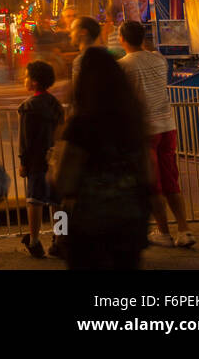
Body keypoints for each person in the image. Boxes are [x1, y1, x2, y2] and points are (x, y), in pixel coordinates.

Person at [53, 47, 151, 269]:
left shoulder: (81, 125)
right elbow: (148, 173)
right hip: (130, 219)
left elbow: (64, 181)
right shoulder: (134, 121)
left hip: (90, 222)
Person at [118, 20, 194, 248]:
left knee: (153, 185)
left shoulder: (123, 66)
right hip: (167, 127)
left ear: (122, 39)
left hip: (144, 131)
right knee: (172, 181)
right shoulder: (160, 60)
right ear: (142, 37)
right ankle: (185, 230)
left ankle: (163, 232)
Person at [18, 60, 64, 258]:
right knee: (57, 202)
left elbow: (26, 140)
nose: (24, 79)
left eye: (27, 76)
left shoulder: (28, 107)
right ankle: (61, 241)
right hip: (56, 160)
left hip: (37, 161)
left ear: (34, 82)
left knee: (34, 201)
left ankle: (35, 241)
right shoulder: (56, 104)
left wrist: (23, 162)